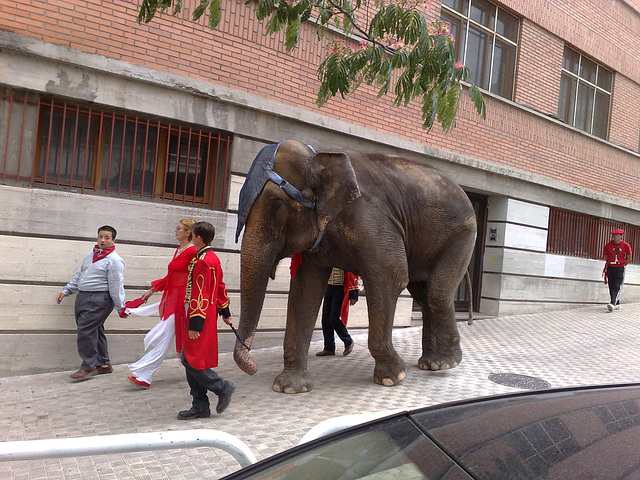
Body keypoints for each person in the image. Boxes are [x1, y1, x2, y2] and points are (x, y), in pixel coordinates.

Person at [126, 219, 197, 389]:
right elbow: (171, 277)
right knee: (164, 338)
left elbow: (194, 277)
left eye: (178, 228)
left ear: (187, 233)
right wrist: (152, 290)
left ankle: (145, 374)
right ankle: (145, 375)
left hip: (182, 302)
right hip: (173, 300)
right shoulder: (179, 250)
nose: (175, 230)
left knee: (162, 335)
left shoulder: (192, 252)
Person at [178, 221, 235, 419]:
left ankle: (221, 387)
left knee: (190, 359)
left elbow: (199, 294)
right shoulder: (213, 258)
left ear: (198, 237)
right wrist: (225, 313)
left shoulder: (203, 260)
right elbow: (220, 287)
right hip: (208, 314)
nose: (191, 237)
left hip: (200, 315)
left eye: (192, 235)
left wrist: (195, 323)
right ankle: (200, 405)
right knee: (193, 359)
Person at [56, 225, 125, 381]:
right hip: (83, 296)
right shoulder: (90, 256)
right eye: (100, 236)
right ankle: (104, 363)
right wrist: (67, 290)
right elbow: (79, 274)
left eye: (107, 237)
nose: (102, 240)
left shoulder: (115, 261)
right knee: (95, 329)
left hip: (100, 299)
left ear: (113, 240)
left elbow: (116, 286)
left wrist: (121, 307)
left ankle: (89, 365)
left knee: (85, 330)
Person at [316, 268, 359, 357]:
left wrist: (353, 294)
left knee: (333, 319)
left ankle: (348, 341)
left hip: (340, 289)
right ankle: (329, 348)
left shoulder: (344, 257)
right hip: (329, 287)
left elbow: (352, 273)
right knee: (325, 320)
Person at [603, 228, 632, 312]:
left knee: (617, 285)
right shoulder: (608, 245)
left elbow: (629, 256)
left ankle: (612, 303)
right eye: (613, 235)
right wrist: (609, 262)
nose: (614, 237)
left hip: (620, 267)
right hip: (610, 267)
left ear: (620, 236)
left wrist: (623, 264)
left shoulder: (625, 245)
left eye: (616, 235)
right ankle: (617, 303)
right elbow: (605, 256)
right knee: (611, 285)